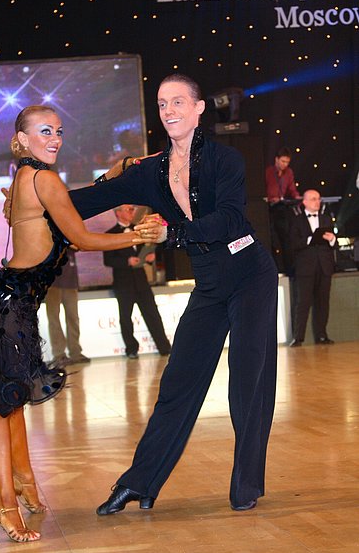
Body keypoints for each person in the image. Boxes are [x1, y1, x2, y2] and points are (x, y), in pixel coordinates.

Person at [0, 105, 160, 543]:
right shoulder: (43, 179)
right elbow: (81, 238)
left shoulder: (29, 176)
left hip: (10, 303)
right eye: (44, 131)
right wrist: (138, 235)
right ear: (22, 139)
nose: (55, 138)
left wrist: (118, 173)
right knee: (0, 405)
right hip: (9, 306)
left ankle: (23, 484)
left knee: (13, 399)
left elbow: (77, 205)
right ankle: (1, 503)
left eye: (58, 131)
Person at [67, 74, 279, 514]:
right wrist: (33, 199)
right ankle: (140, 482)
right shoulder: (149, 173)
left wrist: (174, 234)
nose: (169, 111)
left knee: (247, 383)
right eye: (163, 104)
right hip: (210, 284)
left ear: (199, 108)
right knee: (177, 383)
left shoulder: (226, 159)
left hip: (249, 274)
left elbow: (230, 219)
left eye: (178, 102)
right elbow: (88, 200)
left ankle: (246, 485)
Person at [103, 204, 171, 359]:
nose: (132, 212)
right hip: (123, 282)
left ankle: (164, 347)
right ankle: (131, 349)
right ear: (118, 213)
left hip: (141, 280)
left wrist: (150, 258)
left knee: (152, 314)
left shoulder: (139, 229)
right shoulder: (110, 234)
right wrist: (126, 261)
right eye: (128, 209)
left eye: (132, 209)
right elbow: (108, 260)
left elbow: (149, 249)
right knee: (126, 317)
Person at [288, 189, 336, 347]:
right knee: (302, 302)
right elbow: (293, 243)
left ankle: (322, 335)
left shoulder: (326, 218)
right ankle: (298, 337)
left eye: (319, 199)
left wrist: (332, 239)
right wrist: (310, 239)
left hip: (324, 266)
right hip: (305, 268)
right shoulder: (296, 221)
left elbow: (333, 244)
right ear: (305, 202)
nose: (317, 202)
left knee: (323, 302)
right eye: (314, 199)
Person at [45, 247, 90, 365]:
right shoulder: (50, 240)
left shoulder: (69, 241)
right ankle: (59, 354)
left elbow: (79, 245)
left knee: (73, 317)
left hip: (70, 282)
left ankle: (75, 352)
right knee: (54, 319)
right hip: (52, 283)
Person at [265, 146, 302, 274]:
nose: (285, 164)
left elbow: (292, 189)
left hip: (282, 207)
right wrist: (271, 198)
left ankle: (289, 267)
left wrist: (298, 197)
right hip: (269, 207)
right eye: (283, 161)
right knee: (272, 238)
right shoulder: (268, 172)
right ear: (276, 159)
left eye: (287, 162)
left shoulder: (289, 172)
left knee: (286, 237)